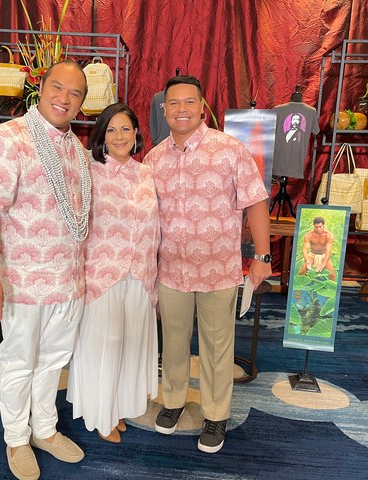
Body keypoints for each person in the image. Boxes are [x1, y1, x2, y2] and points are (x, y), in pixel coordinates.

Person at [0, 60, 90, 480]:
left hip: (68, 281)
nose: (64, 98)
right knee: (19, 362)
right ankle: (16, 438)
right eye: (58, 87)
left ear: (82, 104)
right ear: (41, 87)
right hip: (21, 281)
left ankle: (45, 429)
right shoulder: (7, 139)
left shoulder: (76, 148)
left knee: (53, 362)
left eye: (75, 94)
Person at [143, 75, 271, 454]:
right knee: (174, 344)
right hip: (171, 271)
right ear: (163, 110)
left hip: (218, 269)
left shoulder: (229, 149)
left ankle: (216, 414)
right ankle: (174, 402)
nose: (181, 109)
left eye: (189, 102)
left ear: (202, 107)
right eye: (173, 103)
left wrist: (262, 258)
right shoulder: (153, 159)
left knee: (217, 347)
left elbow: (256, 201)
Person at [67, 103, 160, 444]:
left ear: (136, 133)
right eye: (111, 130)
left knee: (129, 346)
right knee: (104, 346)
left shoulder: (147, 173)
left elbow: (156, 228)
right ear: (101, 137)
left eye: (126, 129)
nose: (119, 136)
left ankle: (116, 407)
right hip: (102, 274)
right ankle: (99, 414)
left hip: (140, 275)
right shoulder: (89, 172)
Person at [298, 216, 335, 281]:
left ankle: (332, 289)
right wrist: (307, 261)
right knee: (302, 272)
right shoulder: (309, 235)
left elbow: (328, 250)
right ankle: (296, 289)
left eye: (320, 226)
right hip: (312, 255)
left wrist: (324, 263)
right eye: (316, 227)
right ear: (314, 226)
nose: (318, 229)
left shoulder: (329, 235)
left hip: (324, 255)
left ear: (324, 225)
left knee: (332, 275)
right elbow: (305, 249)